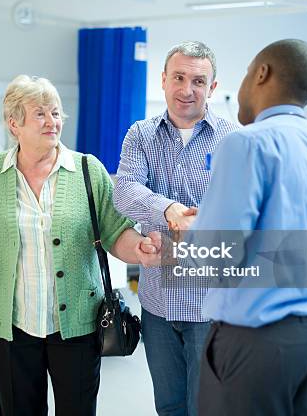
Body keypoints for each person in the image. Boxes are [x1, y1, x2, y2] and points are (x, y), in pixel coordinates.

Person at [0, 74, 161, 416]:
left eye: (57, 113)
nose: (53, 121)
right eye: (41, 114)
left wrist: (140, 249)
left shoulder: (88, 170)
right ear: (13, 123)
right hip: (14, 322)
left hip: (76, 321)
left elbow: (114, 230)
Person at [186, 39, 307, 415]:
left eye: (246, 73)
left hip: (254, 343)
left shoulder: (247, 144)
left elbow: (216, 256)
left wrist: (187, 237)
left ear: (262, 73)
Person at [113, 41, 237, 415]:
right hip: (158, 305)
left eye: (198, 81)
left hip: (211, 307)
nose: (187, 89)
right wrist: (169, 210)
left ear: (212, 88)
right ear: (163, 80)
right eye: (179, 78)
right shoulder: (141, 135)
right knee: (168, 406)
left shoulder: (233, 140)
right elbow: (125, 190)